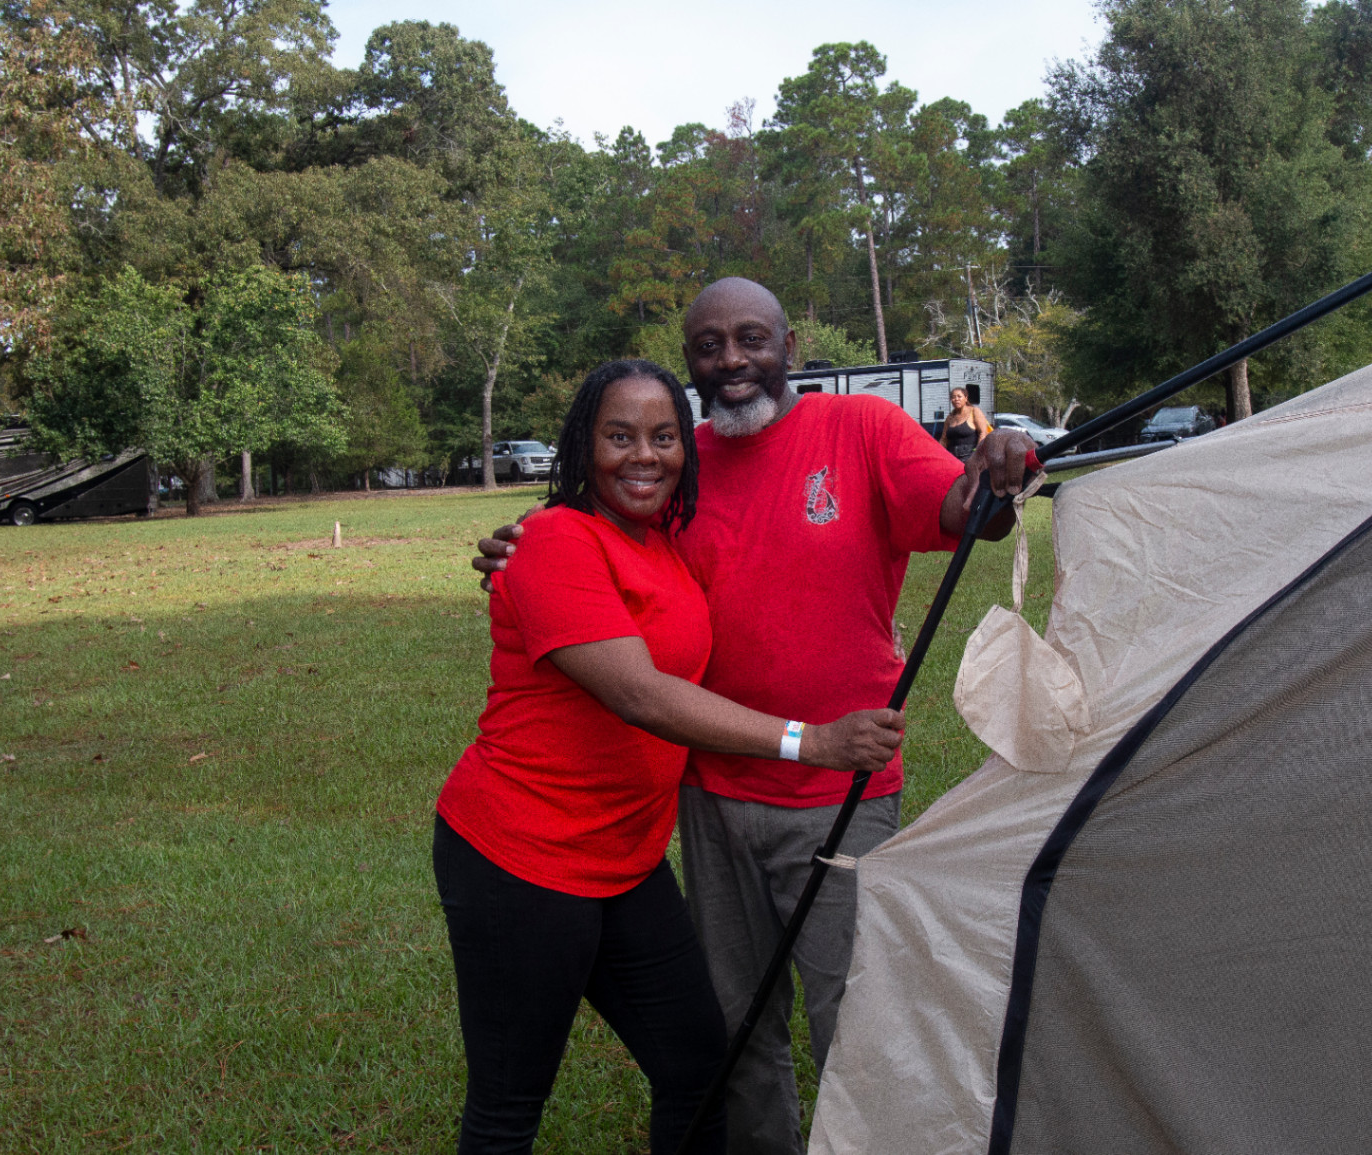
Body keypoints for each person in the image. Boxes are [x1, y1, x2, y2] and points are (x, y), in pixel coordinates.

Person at [474, 283, 1037, 1155]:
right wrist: (524, 540)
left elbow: (968, 514)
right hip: (709, 795)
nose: (731, 360)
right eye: (708, 345)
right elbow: (595, 533)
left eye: (750, 339)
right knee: (736, 1035)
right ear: (689, 356)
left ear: (791, 342)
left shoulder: (861, 429)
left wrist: (996, 464)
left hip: (839, 792)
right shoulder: (680, 461)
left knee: (856, 1024)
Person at [436, 358, 907, 1155]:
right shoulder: (552, 540)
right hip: (522, 861)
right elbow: (641, 695)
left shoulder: (661, 544)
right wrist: (811, 740)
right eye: (619, 436)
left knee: (696, 1061)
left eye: (663, 437)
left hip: (624, 863)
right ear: (582, 444)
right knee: (509, 1103)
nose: (644, 455)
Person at [937, 385, 991, 462]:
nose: (956, 399)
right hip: (953, 458)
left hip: (971, 457)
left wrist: (976, 455)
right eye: (953, 397)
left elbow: (983, 433)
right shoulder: (949, 418)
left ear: (966, 398)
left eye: (959, 396)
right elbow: (944, 440)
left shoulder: (974, 411)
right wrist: (936, 453)